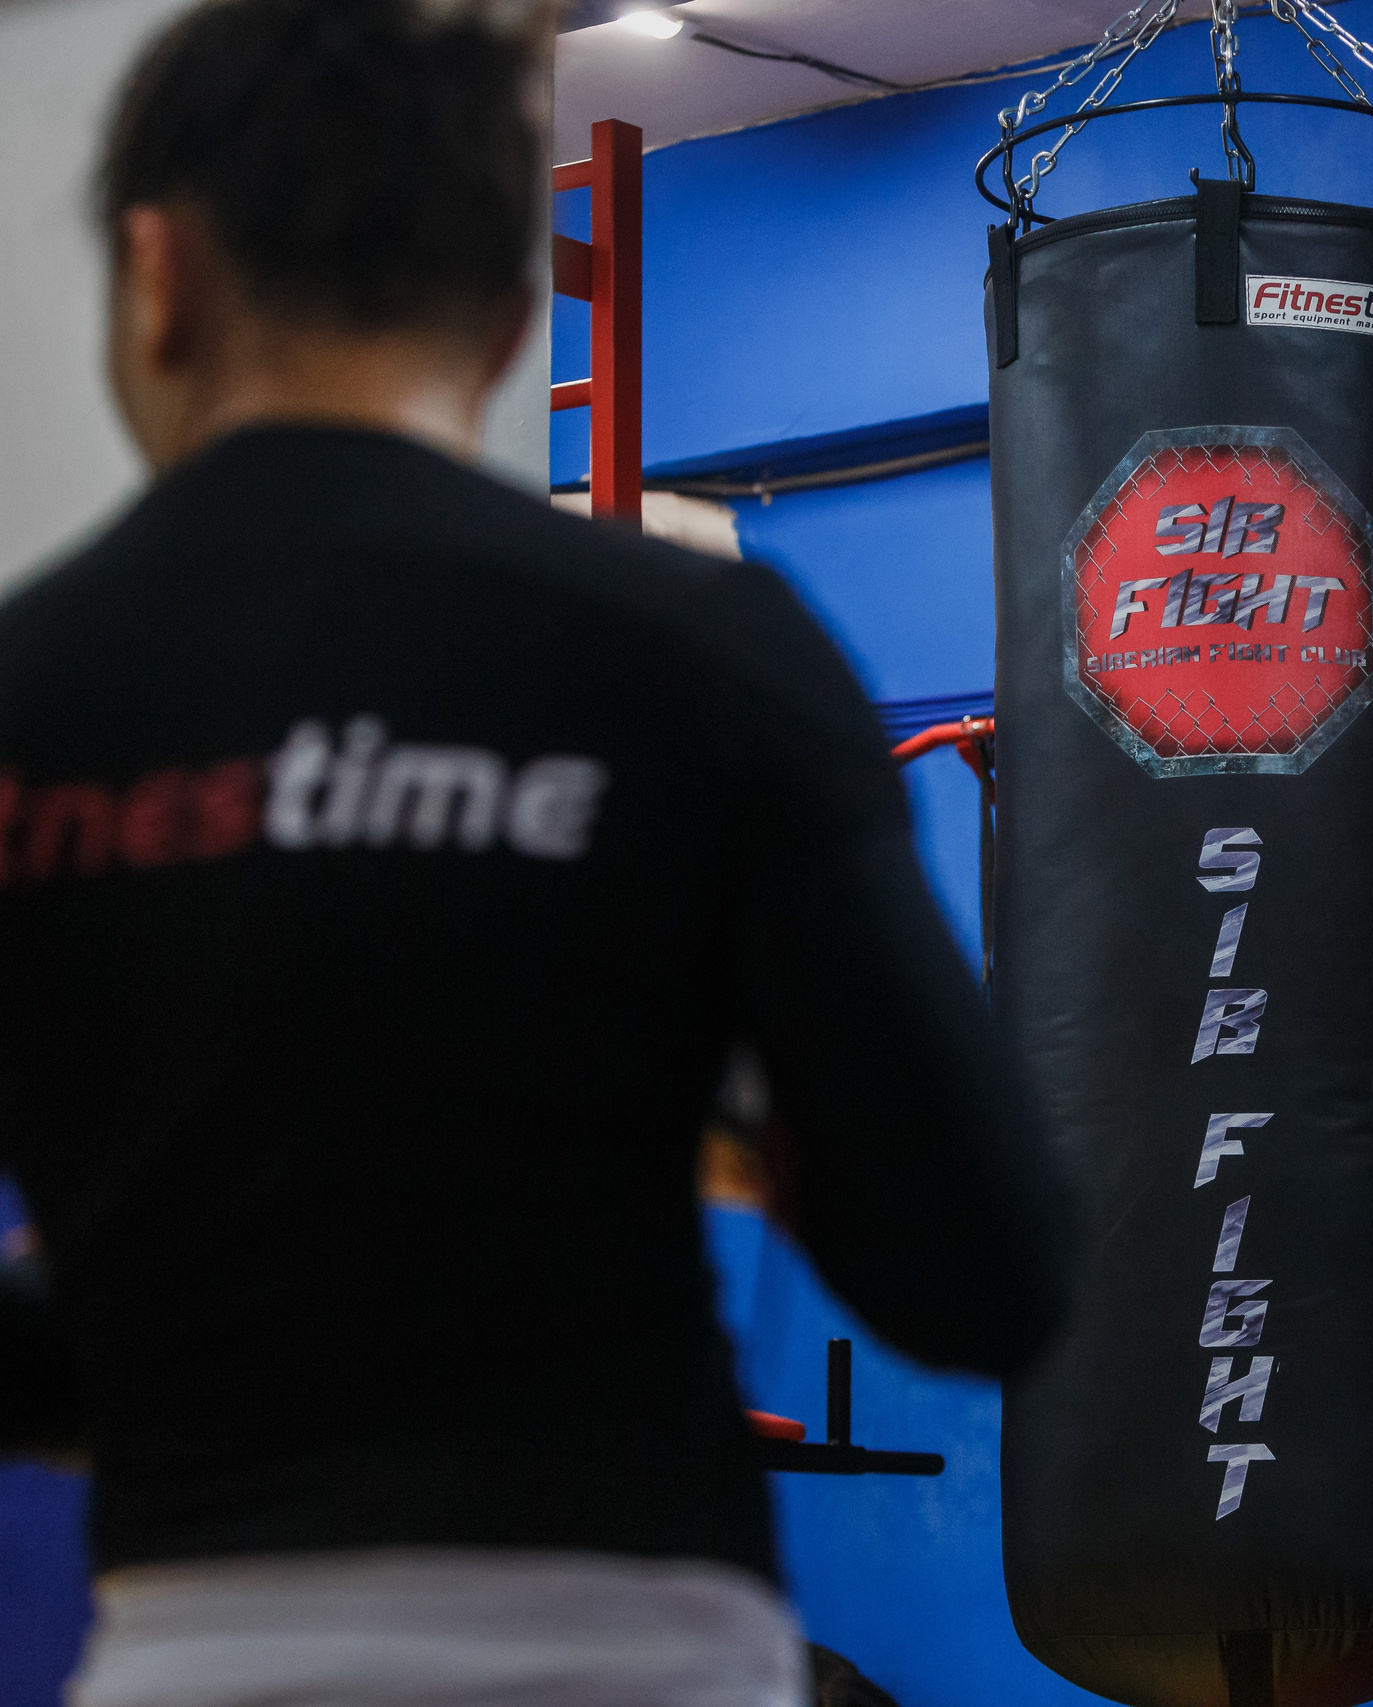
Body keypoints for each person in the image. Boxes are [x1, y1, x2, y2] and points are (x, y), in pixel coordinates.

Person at [0, 2, 1073, 1703]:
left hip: (202, 1656)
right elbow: (990, 1275)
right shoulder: (707, 652)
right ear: (509, 327)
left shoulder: (29, 695)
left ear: (158, 274)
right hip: (639, 1657)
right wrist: (738, 1120)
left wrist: (190, 1325)